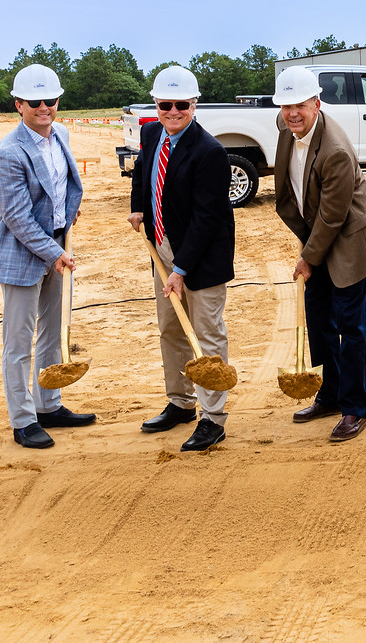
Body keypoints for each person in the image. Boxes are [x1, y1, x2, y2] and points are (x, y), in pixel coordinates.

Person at [0, 64, 94, 449]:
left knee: (52, 334)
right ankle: (23, 420)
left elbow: (62, 187)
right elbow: (17, 219)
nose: (44, 107)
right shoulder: (6, 154)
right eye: (35, 101)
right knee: (18, 343)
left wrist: (66, 215)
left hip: (57, 248)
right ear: (19, 105)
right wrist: (54, 253)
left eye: (50, 99)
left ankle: (49, 405)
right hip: (22, 256)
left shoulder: (60, 133)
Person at [128, 65, 236, 452]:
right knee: (171, 329)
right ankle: (180, 402)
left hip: (201, 255)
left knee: (205, 335)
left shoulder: (210, 152)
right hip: (162, 245)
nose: (172, 112)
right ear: (156, 104)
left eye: (181, 105)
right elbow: (143, 169)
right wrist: (138, 206)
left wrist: (180, 270)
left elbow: (208, 219)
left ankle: (213, 418)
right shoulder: (151, 132)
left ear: (194, 105)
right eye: (165, 104)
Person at [272, 65, 366, 443]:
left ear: (317, 103)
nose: (292, 113)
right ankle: (330, 395)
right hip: (316, 234)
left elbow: (333, 217)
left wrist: (308, 257)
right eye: (286, 107)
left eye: (300, 105)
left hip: (347, 239)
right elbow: (289, 194)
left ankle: (354, 408)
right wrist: (308, 248)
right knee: (319, 321)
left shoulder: (336, 152)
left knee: (350, 327)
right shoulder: (286, 128)